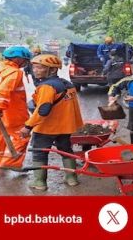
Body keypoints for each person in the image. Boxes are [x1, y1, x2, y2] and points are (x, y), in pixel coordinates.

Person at [19, 54, 84, 191]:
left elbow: (43, 110)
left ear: (53, 70)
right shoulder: (68, 84)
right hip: (65, 127)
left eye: (40, 68)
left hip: (46, 128)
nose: (35, 71)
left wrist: (27, 127)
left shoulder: (47, 87)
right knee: (66, 151)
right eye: (34, 67)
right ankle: (72, 178)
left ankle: (39, 182)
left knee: (39, 153)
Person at [0, 46, 32, 171]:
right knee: (21, 136)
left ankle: (1, 163)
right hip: (10, 113)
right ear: (18, 59)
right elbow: (3, 91)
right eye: (25, 60)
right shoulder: (14, 72)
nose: (25, 63)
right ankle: (10, 163)